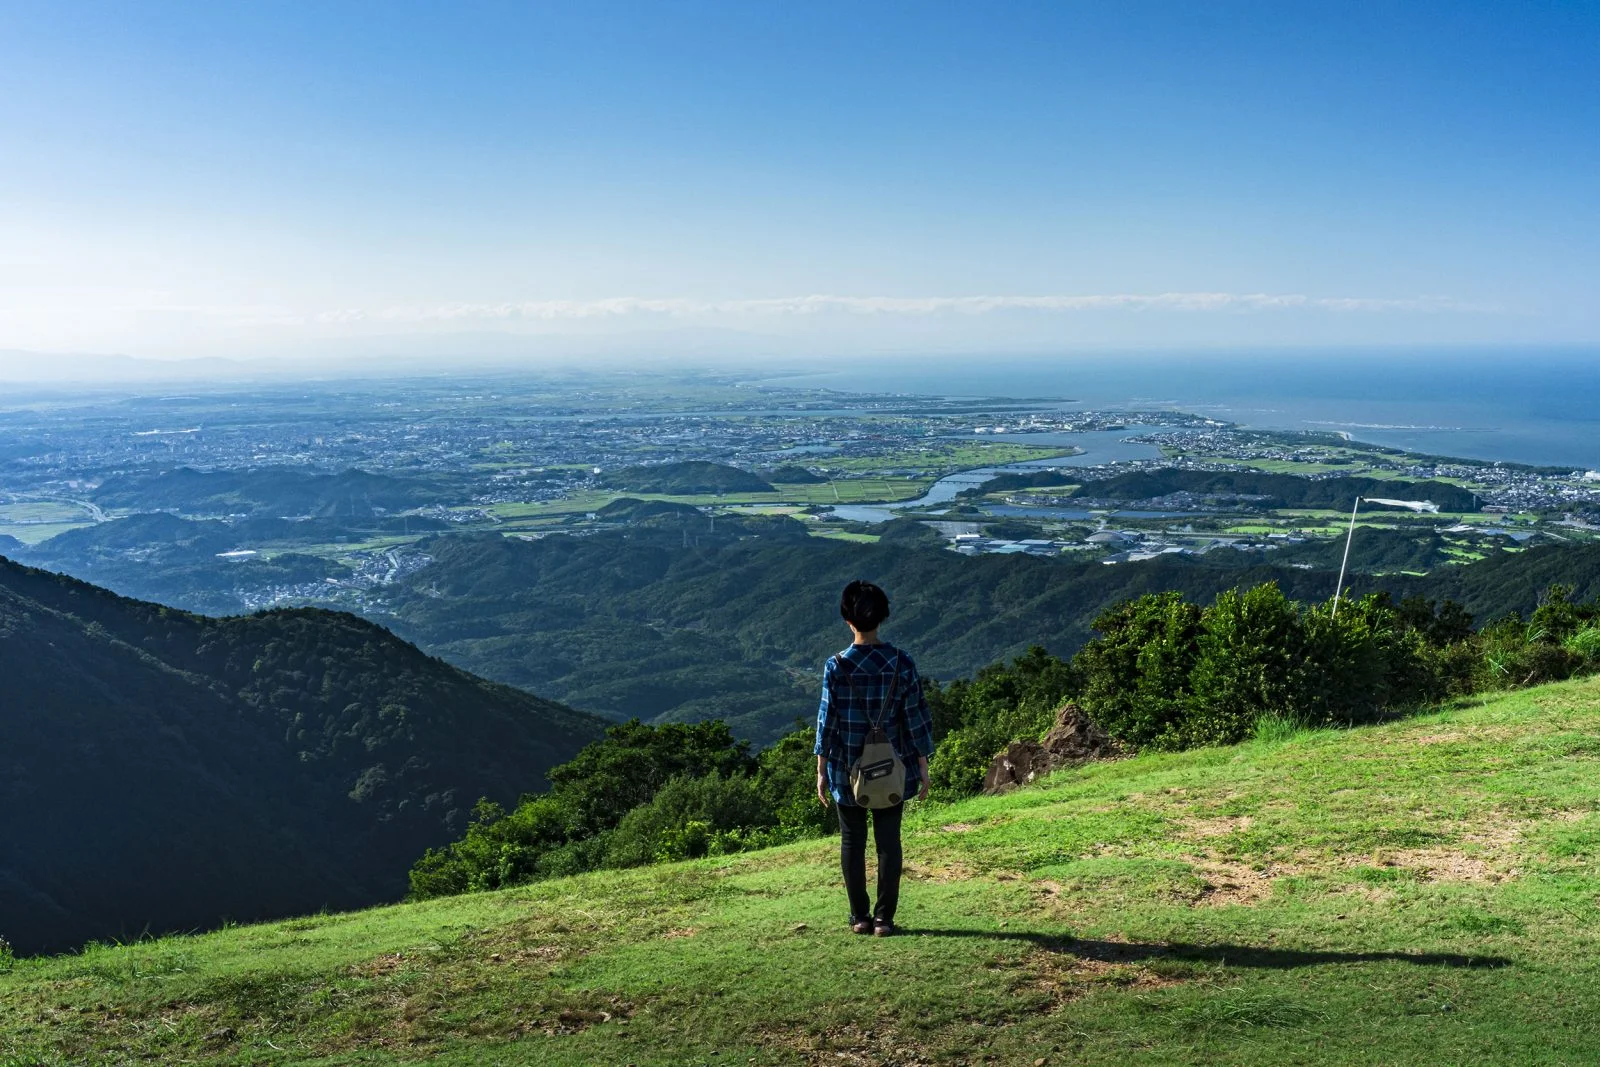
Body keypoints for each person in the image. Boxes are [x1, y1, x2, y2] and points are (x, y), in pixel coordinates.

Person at [814, 579, 935, 936]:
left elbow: (827, 722)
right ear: (882, 617)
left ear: (847, 620)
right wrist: (923, 767)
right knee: (889, 840)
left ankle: (859, 918)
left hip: (844, 767)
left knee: (852, 841)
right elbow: (916, 718)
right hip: (893, 767)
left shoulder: (835, 666)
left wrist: (821, 769)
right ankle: (884, 919)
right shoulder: (902, 662)